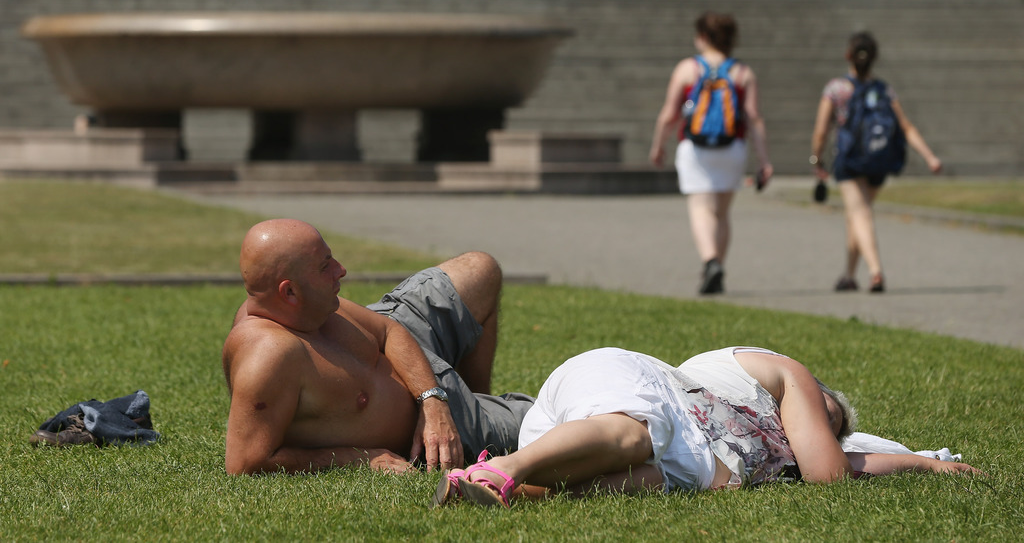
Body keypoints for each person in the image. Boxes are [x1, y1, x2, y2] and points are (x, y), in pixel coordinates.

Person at [432, 346, 982, 508]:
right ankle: (504, 468)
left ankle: (519, 492)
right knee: (636, 436)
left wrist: (931, 465)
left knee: (661, 475)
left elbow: (850, 458)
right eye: (821, 413)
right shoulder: (780, 372)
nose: (815, 429)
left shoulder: (751, 454)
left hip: (586, 439)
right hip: (622, 388)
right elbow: (831, 474)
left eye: (826, 426)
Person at [221, 218, 534, 475]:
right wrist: (361, 457)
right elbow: (245, 463)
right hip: (430, 421)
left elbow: (387, 330)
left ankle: (476, 397)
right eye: (325, 266)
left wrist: (432, 400)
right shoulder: (268, 357)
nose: (341, 270)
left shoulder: (303, 306)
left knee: (481, 269)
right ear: (289, 292)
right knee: (569, 415)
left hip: (418, 367)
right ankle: (479, 419)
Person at [649, 12, 773, 295]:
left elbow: (670, 114)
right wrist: (764, 160)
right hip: (732, 148)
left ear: (703, 37)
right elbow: (754, 117)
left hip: (696, 148)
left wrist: (659, 145)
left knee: (700, 207)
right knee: (722, 212)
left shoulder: (687, 69)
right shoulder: (743, 73)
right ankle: (717, 267)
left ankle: (710, 261)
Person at [811, 32, 943, 293]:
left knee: (860, 214)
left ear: (848, 55)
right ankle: (848, 275)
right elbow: (906, 127)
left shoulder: (836, 89)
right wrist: (929, 157)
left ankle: (875, 272)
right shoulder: (883, 90)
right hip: (879, 160)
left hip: (849, 162)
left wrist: (817, 159)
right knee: (857, 217)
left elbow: (821, 131)